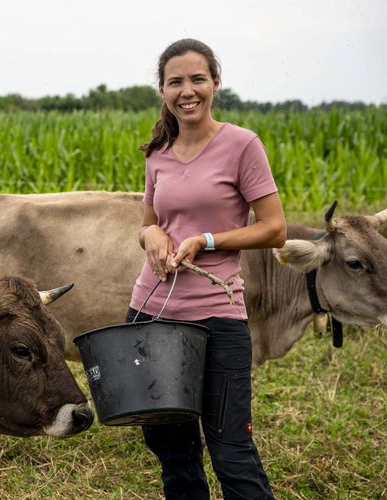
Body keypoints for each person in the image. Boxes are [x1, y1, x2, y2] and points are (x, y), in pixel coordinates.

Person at [126, 38, 286, 499]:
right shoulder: (158, 152)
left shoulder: (242, 145)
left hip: (217, 316)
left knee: (230, 449)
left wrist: (207, 240)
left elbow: (274, 228)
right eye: (175, 81)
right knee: (171, 447)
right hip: (151, 311)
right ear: (162, 89)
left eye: (198, 79)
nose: (187, 90)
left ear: (216, 82)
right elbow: (149, 225)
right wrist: (151, 235)